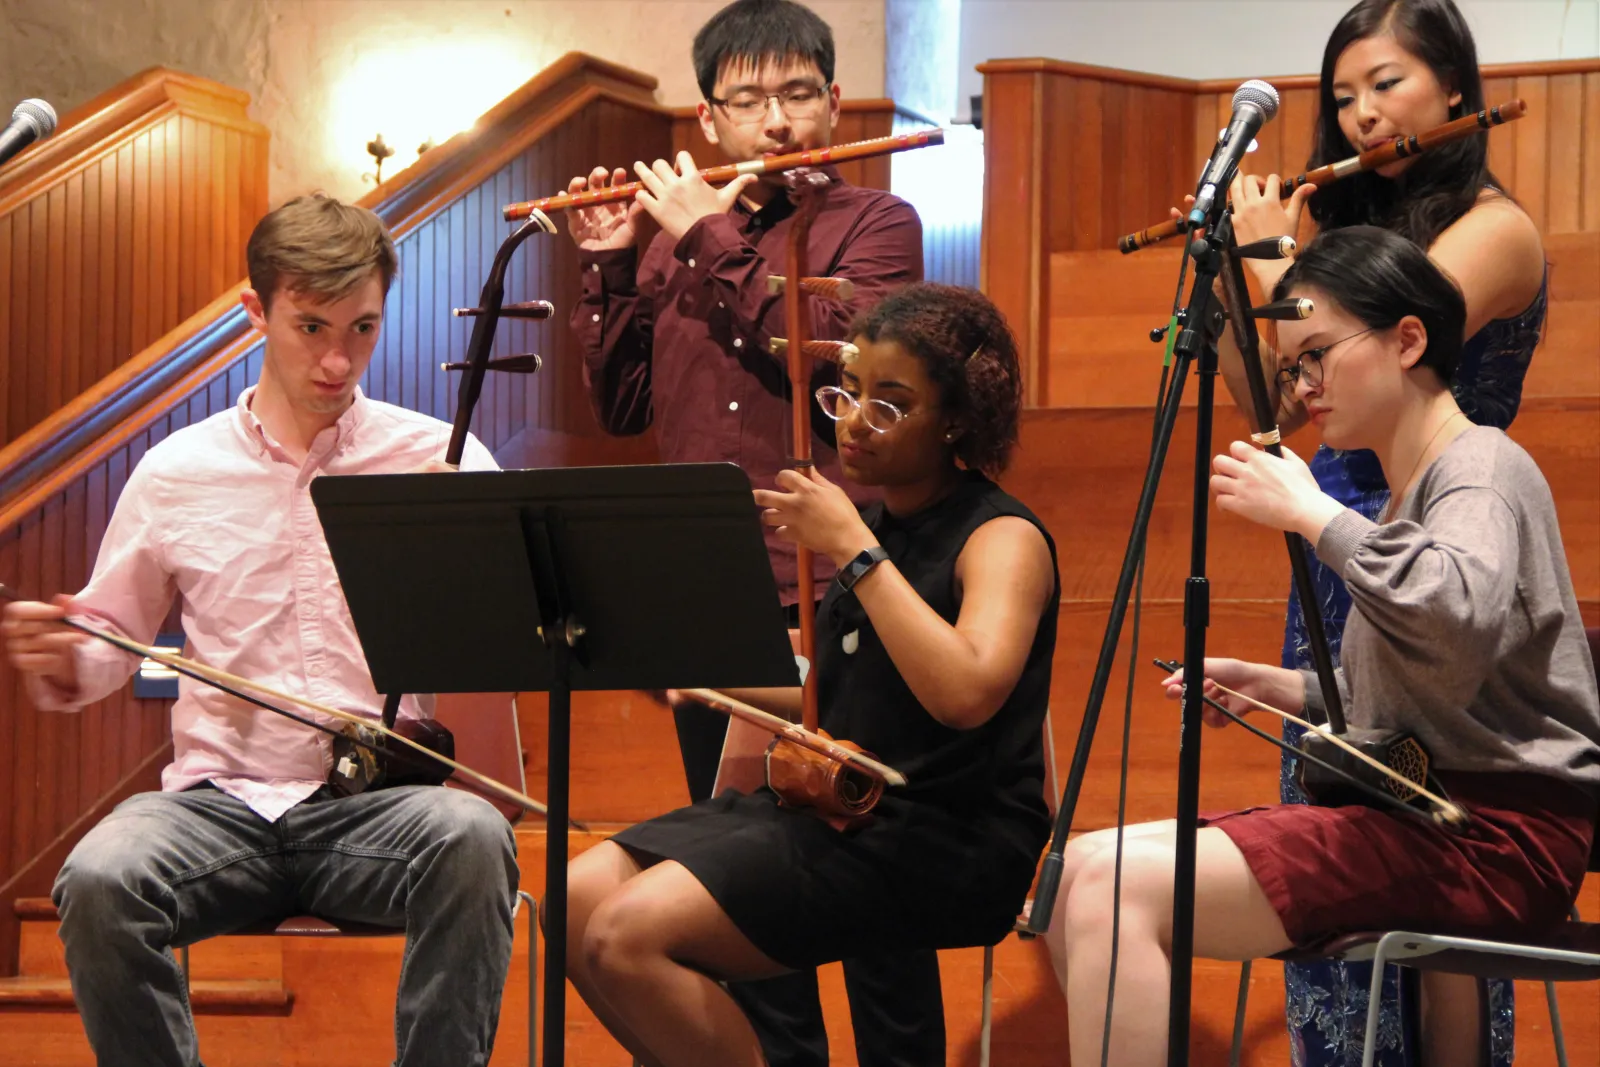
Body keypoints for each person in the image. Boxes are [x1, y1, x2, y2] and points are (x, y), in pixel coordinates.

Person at [1045, 226, 1598, 1067]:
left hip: (1489, 837)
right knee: (1078, 867)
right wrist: (1281, 686)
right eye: (1292, 365)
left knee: (1113, 890)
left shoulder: (1480, 465)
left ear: (1407, 339)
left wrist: (1314, 514)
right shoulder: (1419, 484)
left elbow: (1453, 618)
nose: (1302, 387)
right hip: (1431, 817)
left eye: (1314, 355)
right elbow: (1441, 671)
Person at [1, 195, 518, 1067]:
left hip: (373, 806)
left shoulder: (439, 459)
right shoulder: (175, 472)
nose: (336, 359)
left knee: (472, 840)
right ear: (256, 312)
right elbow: (106, 644)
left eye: (362, 327)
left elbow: (517, 625)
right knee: (99, 879)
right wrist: (60, 657)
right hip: (218, 808)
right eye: (310, 325)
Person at [564, 1, 936, 1063]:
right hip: (711, 599)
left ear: (831, 99)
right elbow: (627, 404)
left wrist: (703, 233)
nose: (776, 120)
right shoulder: (680, 237)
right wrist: (606, 265)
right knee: (744, 888)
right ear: (709, 116)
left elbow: (827, 357)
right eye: (749, 100)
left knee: (869, 879)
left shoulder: (876, 224)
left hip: (843, 590)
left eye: (797, 93)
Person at [556, 283, 1057, 1067]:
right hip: (840, 802)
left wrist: (854, 550)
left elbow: (964, 692)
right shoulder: (884, 522)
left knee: (629, 935)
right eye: (848, 393)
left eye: (889, 405)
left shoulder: (1000, 537)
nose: (854, 420)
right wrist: (692, 667)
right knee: (573, 900)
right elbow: (834, 691)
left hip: (944, 832)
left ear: (957, 418)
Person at [1202, 2, 1549, 1059]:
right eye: (1343, 94)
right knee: (1337, 864)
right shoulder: (1334, 242)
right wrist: (1229, 260)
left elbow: (1397, 347)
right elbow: (1271, 399)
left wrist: (1273, 257)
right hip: (1332, 549)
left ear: (1453, 87)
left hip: (1449, 544)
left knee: (1439, 887)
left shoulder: (1496, 226)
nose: (1360, 113)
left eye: (1386, 84)